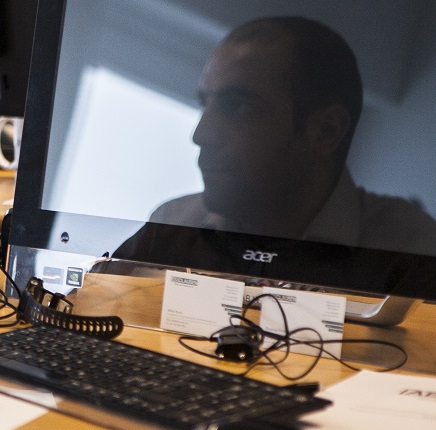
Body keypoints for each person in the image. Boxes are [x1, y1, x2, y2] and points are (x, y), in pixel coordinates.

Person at [115, 16, 436, 261]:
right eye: (204, 104)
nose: (201, 135)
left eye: (239, 107)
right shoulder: (171, 226)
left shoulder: (415, 251)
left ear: (325, 131)